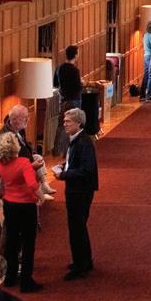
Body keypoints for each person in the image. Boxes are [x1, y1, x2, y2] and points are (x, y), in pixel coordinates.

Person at [0, 131, 41, 293]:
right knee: (28, 243)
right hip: (27, 206)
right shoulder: (24, 162)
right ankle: (26, 281)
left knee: (11, 242)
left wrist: (1, 195)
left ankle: (9, 277)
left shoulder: (0, 165)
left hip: (10, 205)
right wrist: (41, 196)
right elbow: (32, 184)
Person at [52, 107, 97, 280]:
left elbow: (86, 170)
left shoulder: (84, 142)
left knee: (77, 228)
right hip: (76, 189)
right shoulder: (77, 139)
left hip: (80, 191)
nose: (64, 124)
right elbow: (76, 162)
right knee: (79, 227)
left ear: (78, 123)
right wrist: (65, 165)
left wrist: (64, 174)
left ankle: (80, 265)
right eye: (64, 121)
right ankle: (84, 260)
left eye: (68, 121)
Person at [0, 105, 56, 196]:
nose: (28, 120)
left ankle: (44, 185)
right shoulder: (5, 137)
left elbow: (25, 146)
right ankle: (36, 193)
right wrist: (31, 166)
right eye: (25, 118)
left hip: (24, 161)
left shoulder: (20, 129)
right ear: (14, 120)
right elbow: (10, 165)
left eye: (27, 117)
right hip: (14, 171)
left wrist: (31, 157)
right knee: (35, 161)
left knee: (38, 157)